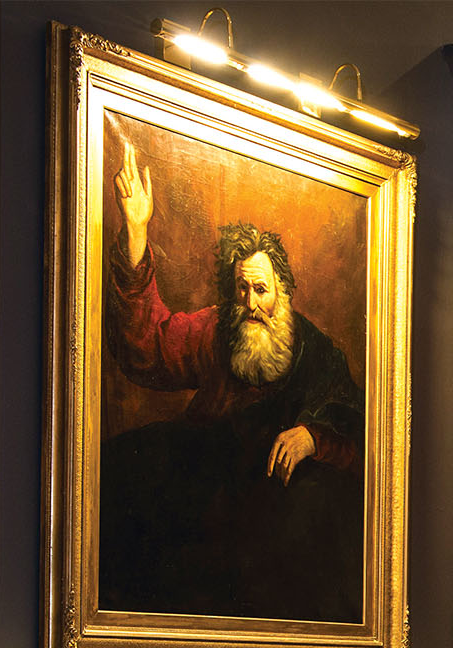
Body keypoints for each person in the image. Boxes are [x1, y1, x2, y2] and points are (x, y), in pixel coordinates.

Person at [98, 139, 364, 623]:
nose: (250, 303)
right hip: (207, 493)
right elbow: (147, 348)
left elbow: (361, 431)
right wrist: (136, 233)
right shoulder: (219, 330)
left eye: (261, 289)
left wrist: (312, 436)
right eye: (241, 289)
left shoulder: (317, 351)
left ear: (283, 293)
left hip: (276, 509)